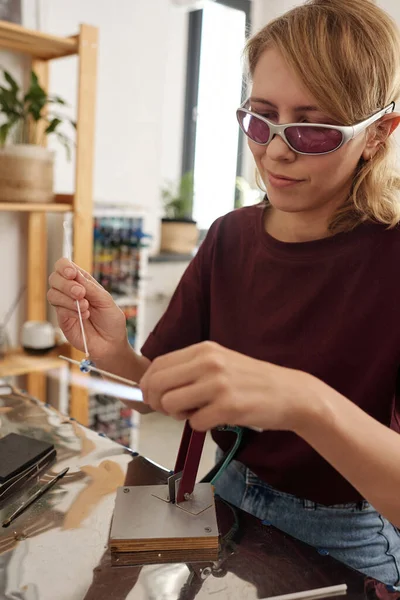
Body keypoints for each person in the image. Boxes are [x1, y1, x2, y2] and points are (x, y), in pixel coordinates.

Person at [48, 0, 400, 587]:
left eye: (312, 129)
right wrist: (116, 356)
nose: (276, 151)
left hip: (348, 531)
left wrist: (306, 402)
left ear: (377, 135)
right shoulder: (230, 236)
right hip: (224, 496)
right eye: (261, 120)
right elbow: (157, 396)